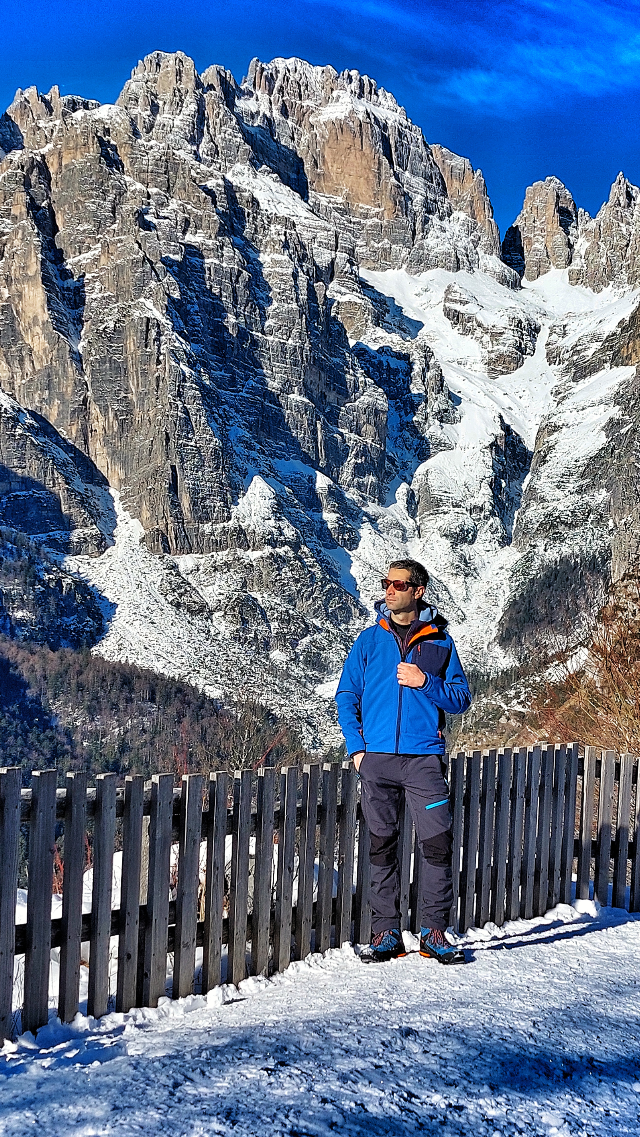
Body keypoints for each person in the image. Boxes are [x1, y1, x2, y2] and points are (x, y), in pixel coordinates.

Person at [335, 559, 471, 964]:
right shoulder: (367, 642)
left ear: (418, 591)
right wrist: (357, 749)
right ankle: (385, 933)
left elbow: (461, 698)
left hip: (423, 761)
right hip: (376, 761)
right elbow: (346, 696)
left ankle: (433, 931)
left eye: (398, 583)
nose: (388, 590)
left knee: (437, 845)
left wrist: (425, 682)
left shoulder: (441, 643)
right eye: (385, 582)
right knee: (381, 847)